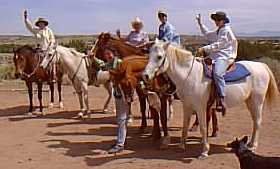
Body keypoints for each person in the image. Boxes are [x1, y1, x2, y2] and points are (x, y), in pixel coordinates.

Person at [196, 11, 238, 115]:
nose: (216, 22)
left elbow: (219, 45)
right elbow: (208, 34)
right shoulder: (219, 30)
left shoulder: (226, 31)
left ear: (223, 20)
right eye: (215, 20)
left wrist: (204, 49)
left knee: (217, 73)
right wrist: (200, 24)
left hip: (224, 56)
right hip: (215, 56)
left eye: (218, 20)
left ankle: (221, 98)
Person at [102, 48, 129, 154]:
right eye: (105, 54)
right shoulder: (110, 63)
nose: (107, 56)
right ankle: (121, 140)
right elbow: (102, 66)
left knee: (122, 119)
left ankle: (120, 144)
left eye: (109, 53)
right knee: (120, 119)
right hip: (118, 93)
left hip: (123, 93)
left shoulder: (119, 63)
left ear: (114, 53)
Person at [23, 10, 56, 82]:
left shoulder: (49, 31)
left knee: (51, 61)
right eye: (40, 23)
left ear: (44, 24)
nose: (41, 24)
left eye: (42, 23)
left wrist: (50, 47)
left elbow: (52, 40)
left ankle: (52, 76)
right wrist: (26, 19)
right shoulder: (36, 30)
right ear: (38, 24)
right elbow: (30, 27)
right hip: (37, 50)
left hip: (46, 50)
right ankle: (29, 75)